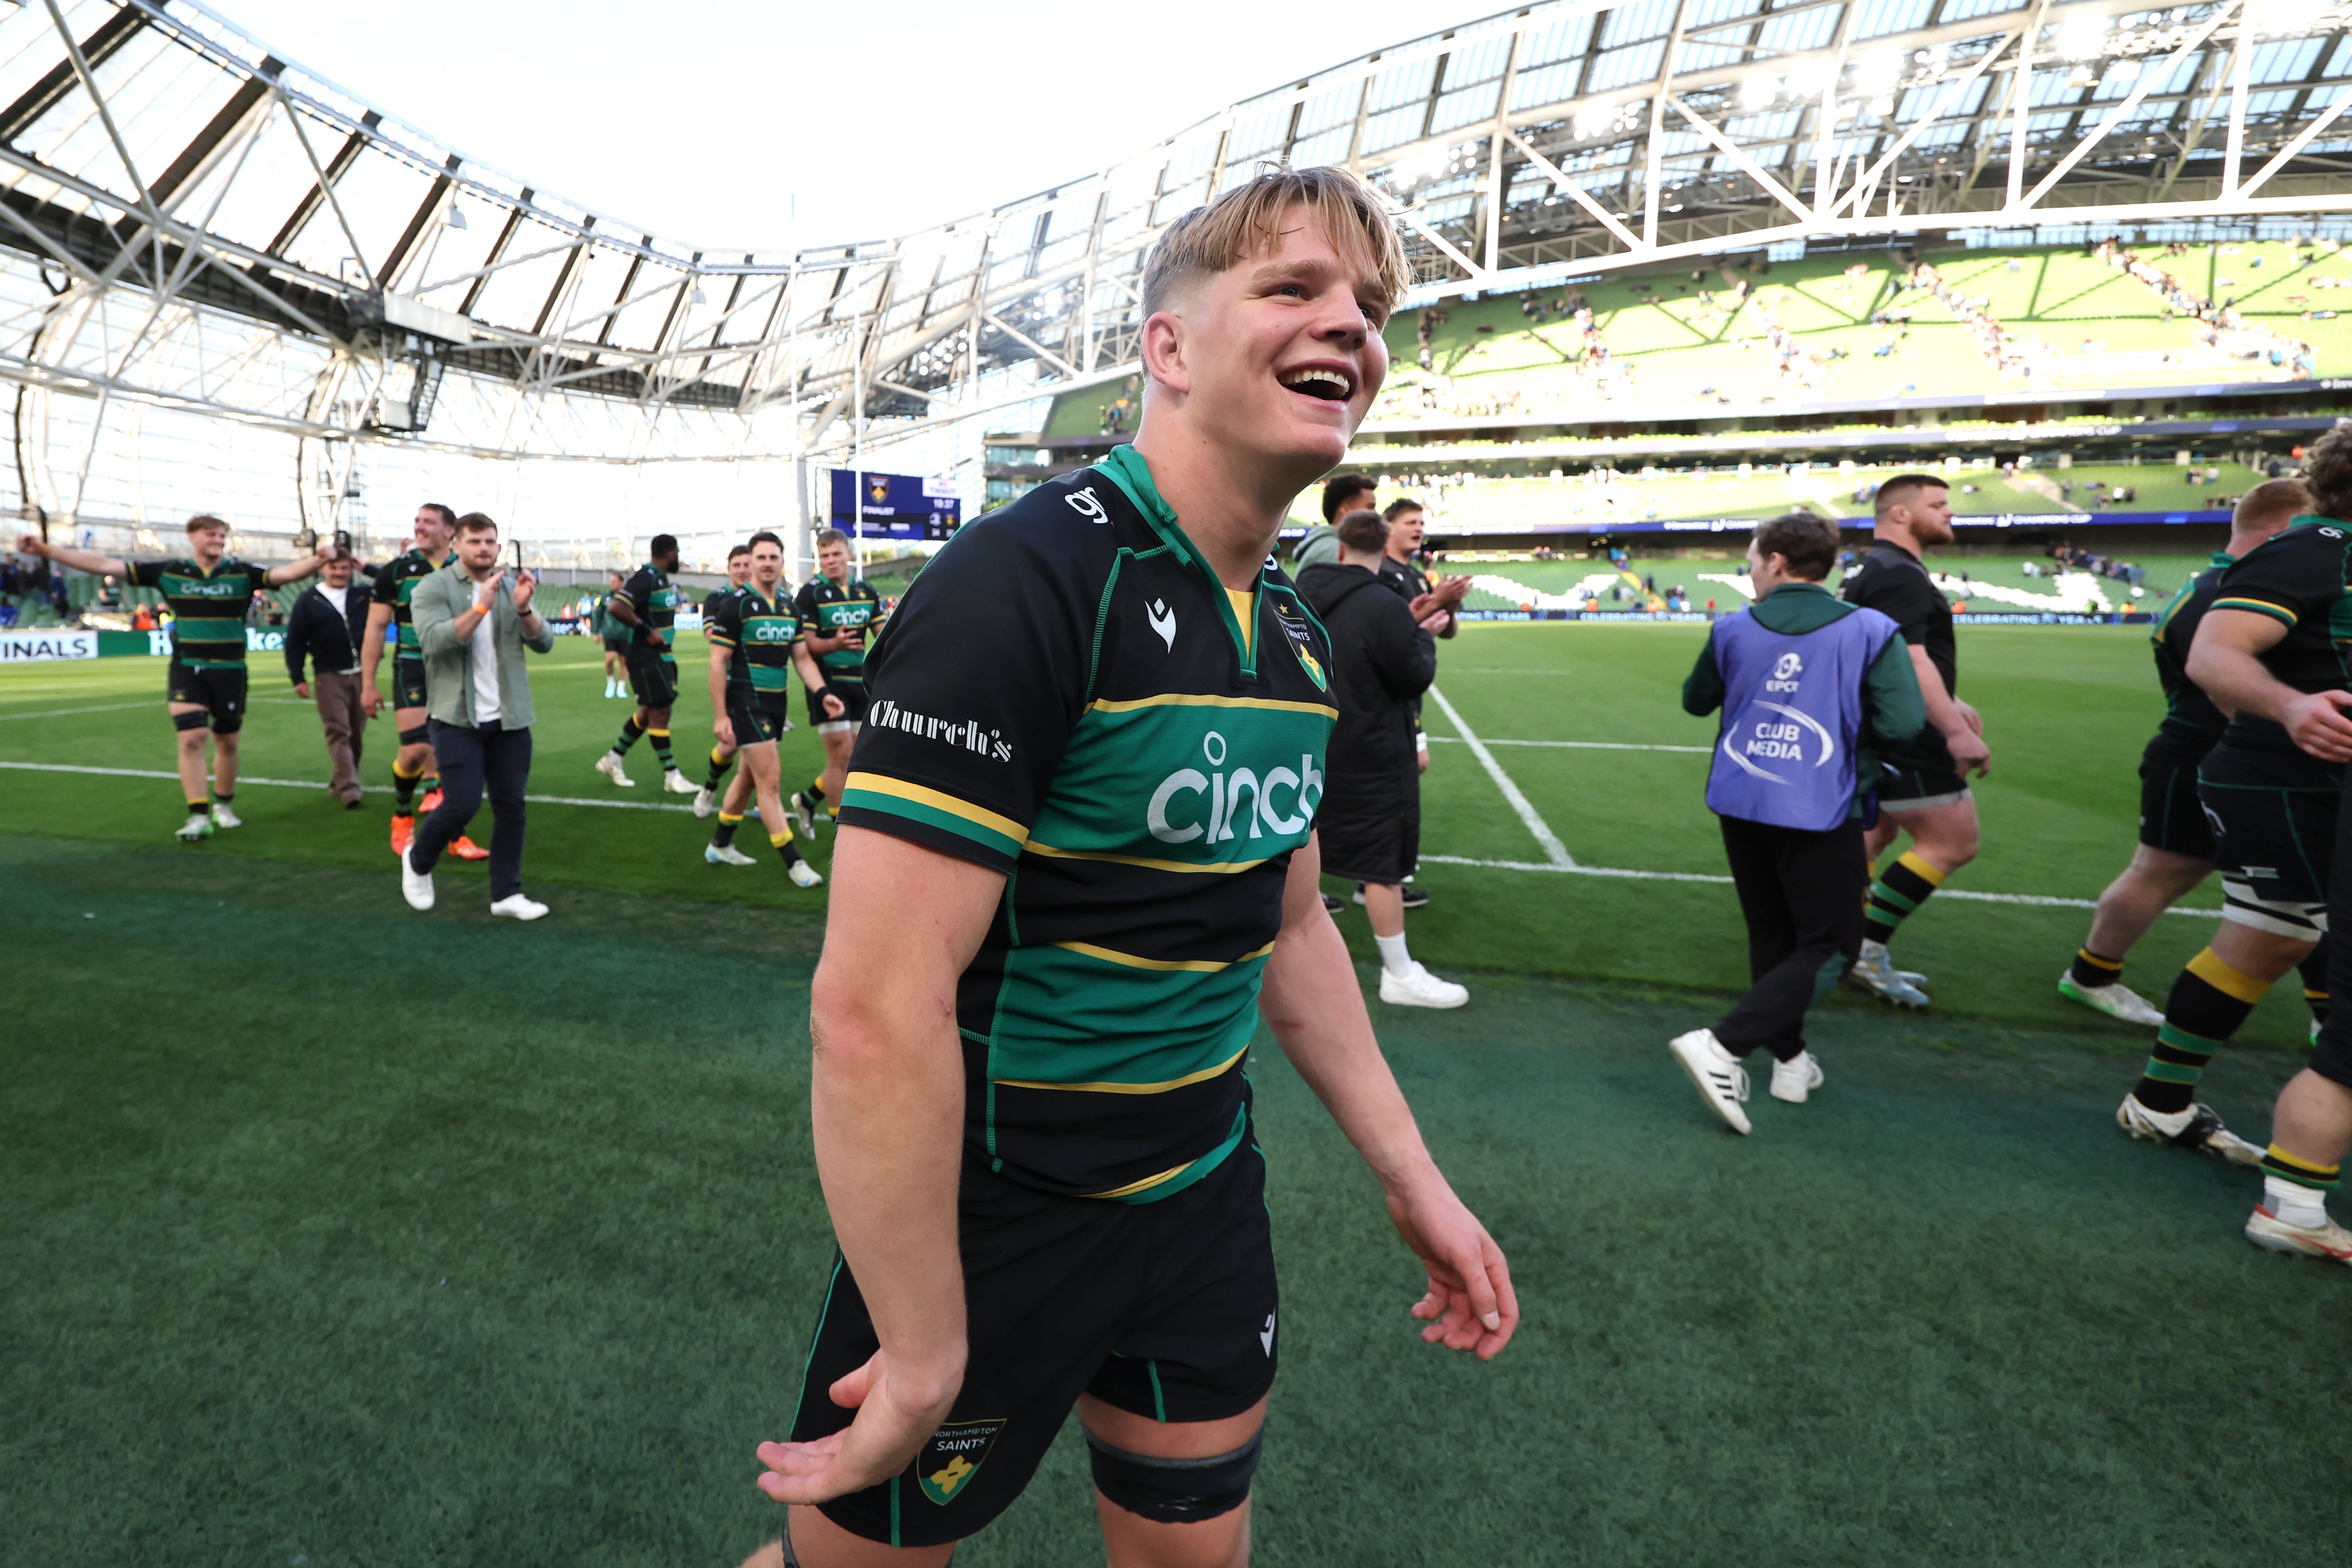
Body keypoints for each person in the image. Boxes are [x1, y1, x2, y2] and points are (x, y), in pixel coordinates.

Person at [742, 166, 1515, 1568]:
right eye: (1291, 287)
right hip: (1000, 1212)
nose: (1347, 324)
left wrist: (1413, 1178)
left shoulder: (1290, 631)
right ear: (1166, 346)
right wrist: (922, 1341)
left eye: (1367, 306)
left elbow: (1290, 926)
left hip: (1204, 1193)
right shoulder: (1023, 581)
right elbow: (873, 1005)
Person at [2118, 441, 2352, 1171]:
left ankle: (2159, 1101)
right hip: (2284, 777)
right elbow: (2212, 655)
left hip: (2302, 777)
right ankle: (2175, 1105)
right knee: (2272, 935)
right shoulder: (2315, 549)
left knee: (2272, 936)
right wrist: (2290, 707)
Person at [1669, 513, 1926, 1134]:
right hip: (1820, 803)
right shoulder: (1871, 628)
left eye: (1753, 560)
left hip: (1741, 799)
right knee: (1834, 946)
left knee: (1772, 935)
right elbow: (1902, 723)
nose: (1751, 571)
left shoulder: (1731, 626)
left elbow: (1695, 700)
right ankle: (1724, 1045)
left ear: (1777, 562)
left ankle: (1789, 1062)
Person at [2061, 480, 2313, 1027]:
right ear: (2284, 531)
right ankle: (2092, 977)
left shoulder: (2222, 587)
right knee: (2169, 873)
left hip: (2211, 754)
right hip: (2213, 756)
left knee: (2291, 882)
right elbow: (2231, 698)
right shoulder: (2230, 594)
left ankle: (2092, 975)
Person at [15, 514, 333, 840]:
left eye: (221, 536)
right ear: (192, 537)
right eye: (211, 534)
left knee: (227, 742)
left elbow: (287, 573)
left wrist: (318, 559)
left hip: (230, 669)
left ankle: (223, 804)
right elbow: (104, 565)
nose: (218, 540)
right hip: (187, 666)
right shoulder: (170, 571)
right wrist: (45, 549)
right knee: (192, 737)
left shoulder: (242, 573)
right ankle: (198, 814)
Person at [1298, 508, 1465, 1008]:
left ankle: (1286, 959)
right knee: (1382, 864)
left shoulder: (1298, 593)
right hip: (1372, 750)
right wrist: (1422, 635)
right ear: (1382, 548)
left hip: (1311, 742)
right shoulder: (1383, 602)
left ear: (1340, 547)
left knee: (1297, 848)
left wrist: (1406, 622)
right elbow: (1411, 675)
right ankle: (1399, 973)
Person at [1837, 475, 1988, 1007]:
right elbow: (1911, 659)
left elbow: (1889, 655)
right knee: (1953, 842)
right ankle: (1863, 948)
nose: (1949, 513)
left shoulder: (1873, 568)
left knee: (1873, 836)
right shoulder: (1900, 574)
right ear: (1900, 514)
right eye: (1938, 505)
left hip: (1877, 724)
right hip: (1906, 732)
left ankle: (1838, 944)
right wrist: (1953, 730)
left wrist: (1951, 699)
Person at [400, 512, 555, 921]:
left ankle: (507, 893)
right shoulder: (433, 587)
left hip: (510, 718)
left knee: (511, 807)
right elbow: (433, 642)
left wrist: (524, 609)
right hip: (456, 718)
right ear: (456, 545)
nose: (483, 549)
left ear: (498, 548)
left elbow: (545, 642)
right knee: (461, 805)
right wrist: (482, 605)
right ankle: (417, 860)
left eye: (489, 542)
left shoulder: (510, 586)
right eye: (474, 542)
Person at [1360, 495, 1469, 912]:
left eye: (1422, 522)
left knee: (1411, 768)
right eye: (1411, 522)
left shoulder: (1415, 575)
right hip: (1386, 692)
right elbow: (1390, 632)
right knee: (1394, 777)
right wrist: (1435, 604)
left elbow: (1447, 631)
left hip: (1408, 689)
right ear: (1388, 528)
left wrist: (1448, 605)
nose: (1419, 529)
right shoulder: (1381, 574)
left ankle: (1377, 872)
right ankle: (1376, 873)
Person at [699, 532, 823, 886]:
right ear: (752, 562)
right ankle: (794, 862)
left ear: (782, 561)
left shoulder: (788, 607)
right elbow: (718, 661)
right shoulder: (735, 606)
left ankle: (719, 844)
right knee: (770, 782)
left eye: (773, 557)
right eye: (761, 557)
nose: (767, 563)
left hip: (776, 705)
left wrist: (823, 691)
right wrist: (721, 715)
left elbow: (802, 658)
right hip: (746, 704)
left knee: (747, 777)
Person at [363, 503, 486, 862]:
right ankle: (402, 817)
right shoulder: (396, 572)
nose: (419, 527)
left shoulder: (467, 568)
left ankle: (455, 834)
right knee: (417, 749)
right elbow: (375, 628)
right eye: (417, 521)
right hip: (413, 666)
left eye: (428, 522)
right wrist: (368, 683)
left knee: (453, 752)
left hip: (457, 668)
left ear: (450, 532)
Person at [787, 528, 885, 835]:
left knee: (855, 757)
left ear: (849, 555)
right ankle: (839, 835)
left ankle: (806, 801)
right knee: (841, 756)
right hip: (827, 684)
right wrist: (835, 643)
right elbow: (808, 645)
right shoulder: (811, 593)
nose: (830, 561)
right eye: (824, 556)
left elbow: (884, 635)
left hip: (859, 683)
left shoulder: (866, 592)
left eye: (836, 554)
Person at [596, 533, 695, 794]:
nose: (678, 557)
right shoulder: (646, 577)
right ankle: (672, 776)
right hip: (646, 656)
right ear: (671, 553)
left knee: (649, 711)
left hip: (662, 655)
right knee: (661, 712)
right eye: (678, 552)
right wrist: (646, 631)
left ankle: (613, 759)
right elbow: (617, 607)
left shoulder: (660, 579)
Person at [284, 547, 375, 808]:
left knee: (356, 734)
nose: (340, 573)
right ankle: (350, 789)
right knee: (338, 731)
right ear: (323, 568)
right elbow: (296, 641)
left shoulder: (363, 595)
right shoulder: (308, 600)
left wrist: (367, 568)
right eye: (334, 567)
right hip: (328, 675)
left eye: (345, 567)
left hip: (362, 674)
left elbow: (391, 583)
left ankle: (340, 782)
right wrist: (298, 677)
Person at [695, 544, 757, 814]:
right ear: (729, 568)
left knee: (760, 745)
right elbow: (713, 637)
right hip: (732, 680)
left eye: (747, 564)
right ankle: (710, 787)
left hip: (765, 682)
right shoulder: (717, 599)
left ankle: (765, 800)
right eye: (737, 565)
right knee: (731, 743)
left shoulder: (765, 598)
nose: (743, 570)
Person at [1292, 472, 1374, 572]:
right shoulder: (1331, 551)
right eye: (1370, 507)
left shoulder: (1332, 546)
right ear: (1346, 511)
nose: (1375, 514)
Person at [598, 570, 630, 698]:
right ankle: (611, 682)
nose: (611, 584)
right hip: (609, 633)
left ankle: (621, 687)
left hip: (625, 633)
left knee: (624, 662)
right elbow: (598, 614)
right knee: (610, 659)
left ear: (622, 583)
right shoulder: (606, 598)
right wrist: (596, 632)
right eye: (610, 581)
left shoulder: (628, 598)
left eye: (614, 581)